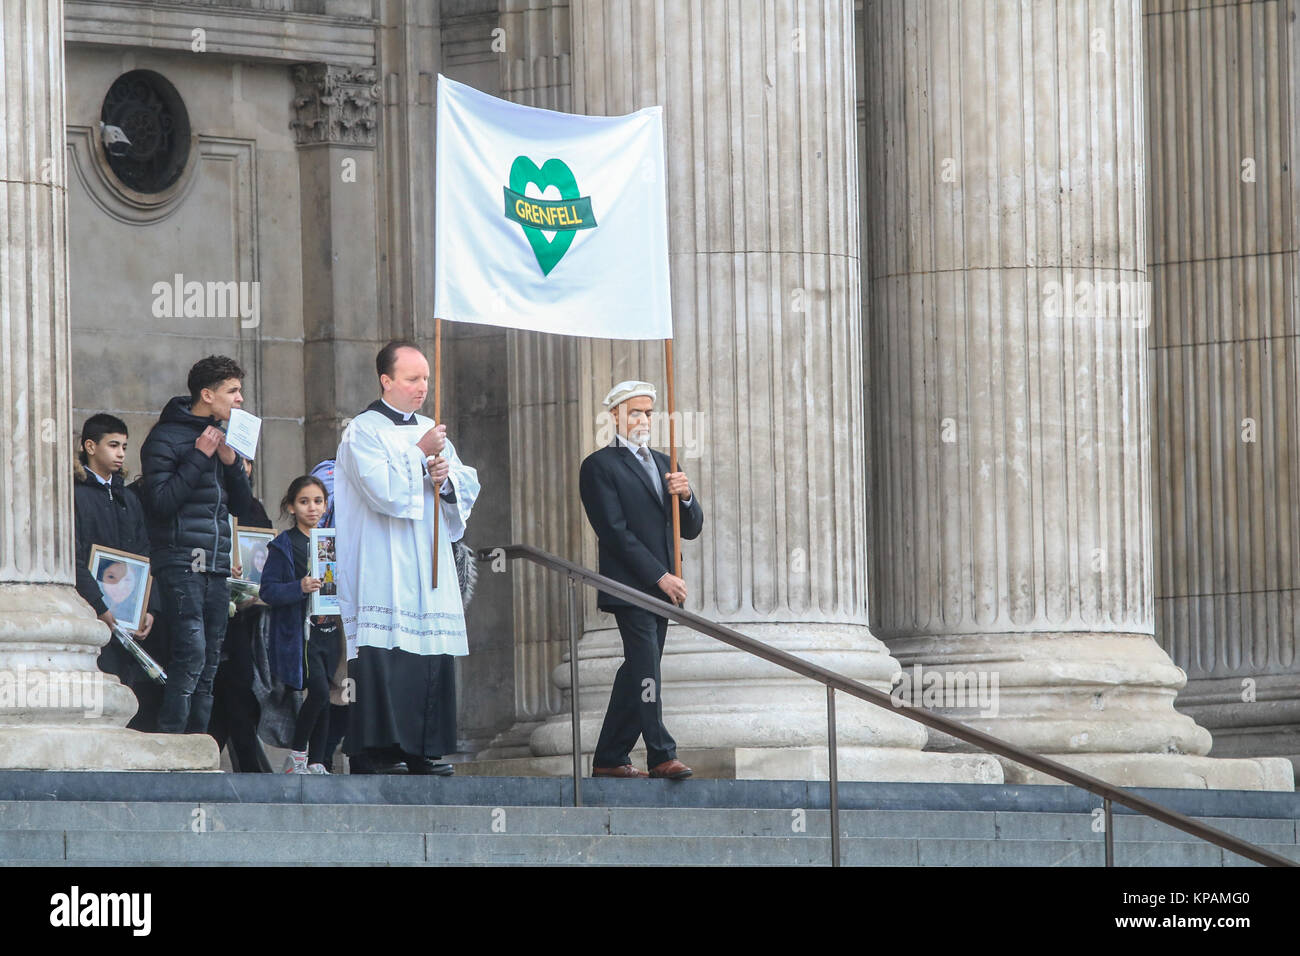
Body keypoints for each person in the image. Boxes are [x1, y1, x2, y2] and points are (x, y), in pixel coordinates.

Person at [334, 339, 479, 775]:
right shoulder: (362, 430)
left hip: (424, 556)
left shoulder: (431, 427)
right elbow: (381, 490)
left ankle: (422, 748)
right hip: (382, 557)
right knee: (385, 648)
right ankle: (376, 751)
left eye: (426, 379)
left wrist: (446, 478)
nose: (422, 388)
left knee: (428, 650)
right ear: (386, 380)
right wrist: (418, 455)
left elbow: (464, 486)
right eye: (413, 379)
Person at [579, 380, 704, 780]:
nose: (644, 419)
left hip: (662, 588)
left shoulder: (668, 462)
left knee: (636, 670)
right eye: (635, 412)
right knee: (647, 668)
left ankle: (610, 757)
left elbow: (691, 528)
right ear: (615, 415)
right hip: (629, 585)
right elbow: (614, 532)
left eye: (649, 412)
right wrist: (661, 576)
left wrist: (685, 497)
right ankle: (660, 754)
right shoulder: (599, 465)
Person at [139, 355, 253, 734]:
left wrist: (232, 463)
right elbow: (160, 502)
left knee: (211, 660)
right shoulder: (165, 437)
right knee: (191, 652)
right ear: (207, 394)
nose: (240, 399)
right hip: (180, 561)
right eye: (232, 391)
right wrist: (199, 456)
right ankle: (172, 740)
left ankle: (198, 744)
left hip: (217, 565)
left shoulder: (225, 437)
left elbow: (242, 507)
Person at [260, 475, 342, 774]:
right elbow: (267, 591)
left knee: (328, 696)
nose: (313, 508)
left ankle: (318, 760)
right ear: (291, 507)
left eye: (318, 501)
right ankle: (297, 755)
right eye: (304, 501)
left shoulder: (330, 543)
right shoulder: (283, 545)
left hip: (329, 631)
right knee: (318, 692)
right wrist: (300, 586)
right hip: (300, 634)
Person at [73, 413, 157, 682]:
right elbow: (73, 555)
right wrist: (98, 605)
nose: (120, 453)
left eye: (124, 446)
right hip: (89, 612)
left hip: (127, 614)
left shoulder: (128, 497)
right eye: (113, 445)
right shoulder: (74, 493)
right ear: (90, 446)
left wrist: (148, 607)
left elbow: (144, 553)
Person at [208, 455, 274, 772]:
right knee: (221, 688)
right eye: (238, 460)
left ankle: (243, 763)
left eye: (248, 462)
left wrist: (256, 587)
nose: (244, 468)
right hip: (210, 611)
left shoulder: (254, 509)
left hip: (246, 618)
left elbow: (262, 557)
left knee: (241, 687)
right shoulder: (210, 503)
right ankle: (239, 763)